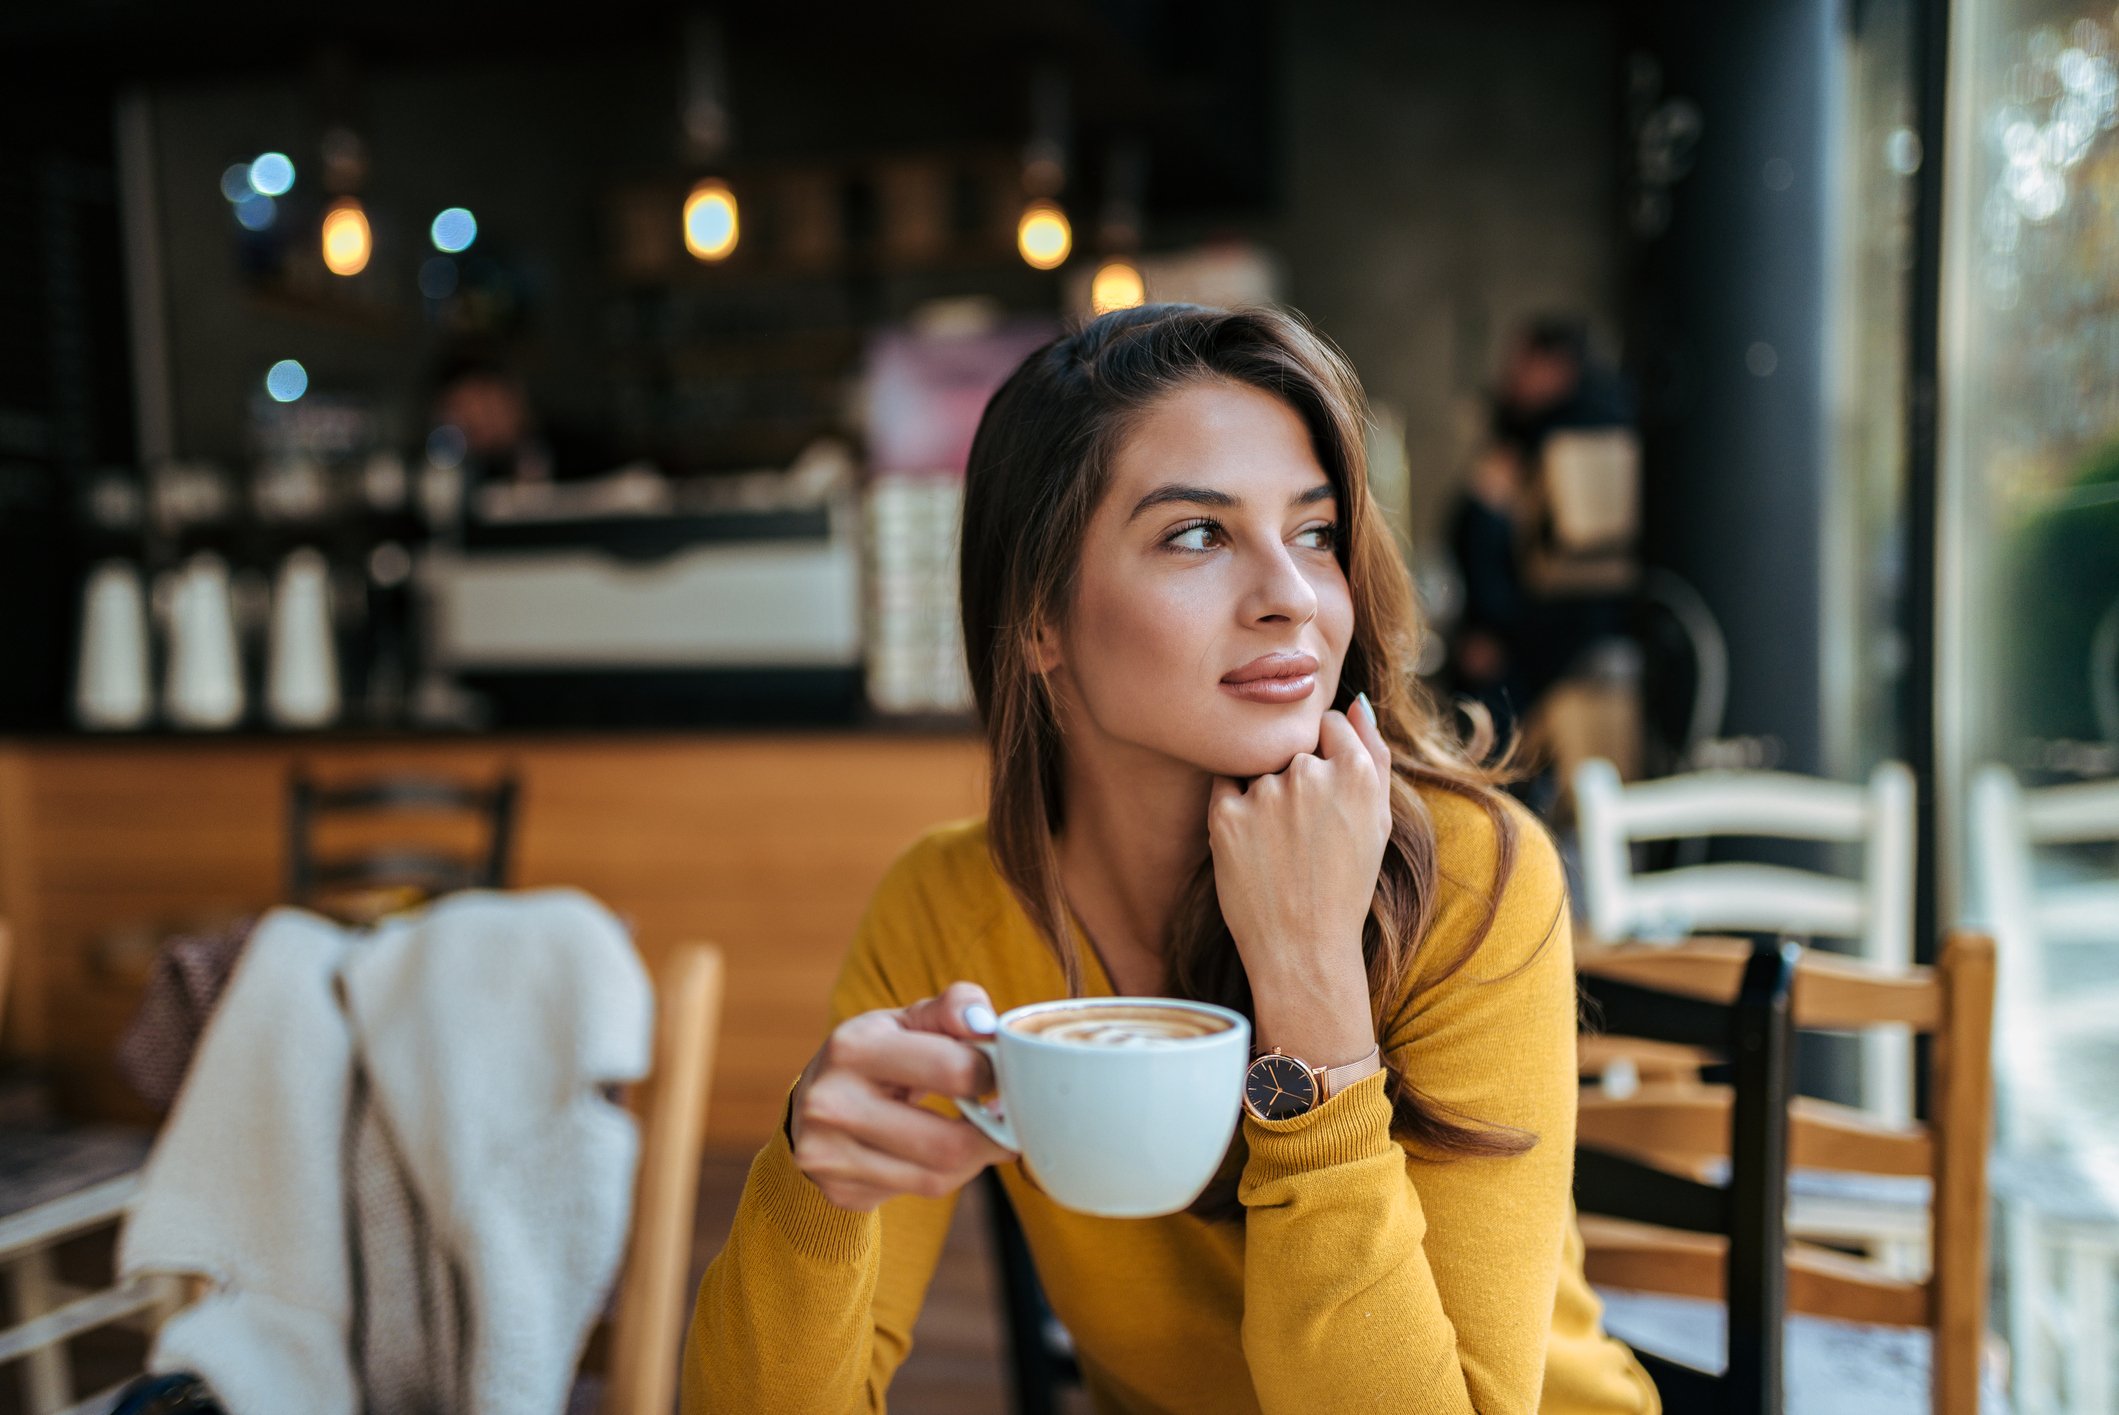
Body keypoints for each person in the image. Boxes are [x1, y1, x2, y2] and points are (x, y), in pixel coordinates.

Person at [681, 303, 1660, 1413]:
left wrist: (1309, 987)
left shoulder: (1473, 879)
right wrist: (813, 1184)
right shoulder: (953, 904)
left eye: (1316, 531)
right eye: (1195, 534)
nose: (1290, 594)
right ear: (1038, 616)